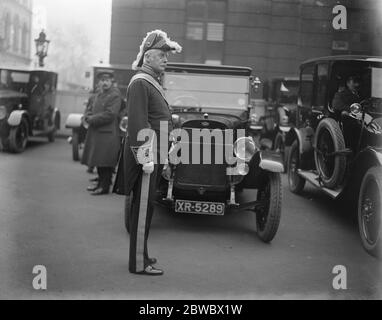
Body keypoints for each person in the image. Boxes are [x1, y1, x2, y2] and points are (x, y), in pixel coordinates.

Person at [113, 30, 182, 276]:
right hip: (146, 159)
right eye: (161, 55)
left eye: (166, 55)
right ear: (148, 57)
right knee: (142, 211)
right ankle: (139, 264)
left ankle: (141, 255)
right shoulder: (141, 82)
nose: (166, 59)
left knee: (147, 209)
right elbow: (138, 125)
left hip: (154, 156)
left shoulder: (150, 81)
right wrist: (147, 159)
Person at [81, 70, 122, 195]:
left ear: (111, 82)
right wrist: (87, 116)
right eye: (102, 81)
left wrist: (92, 119)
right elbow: (89, 108)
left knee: (105, 162)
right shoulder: (98, 94)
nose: (104, 83)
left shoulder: (115, 95)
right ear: (99, 82)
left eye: (107, 81)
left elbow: (111, 114)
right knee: (98, 161)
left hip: (107, 134)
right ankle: (99, 184)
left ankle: (104, 187)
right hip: (97, 133)